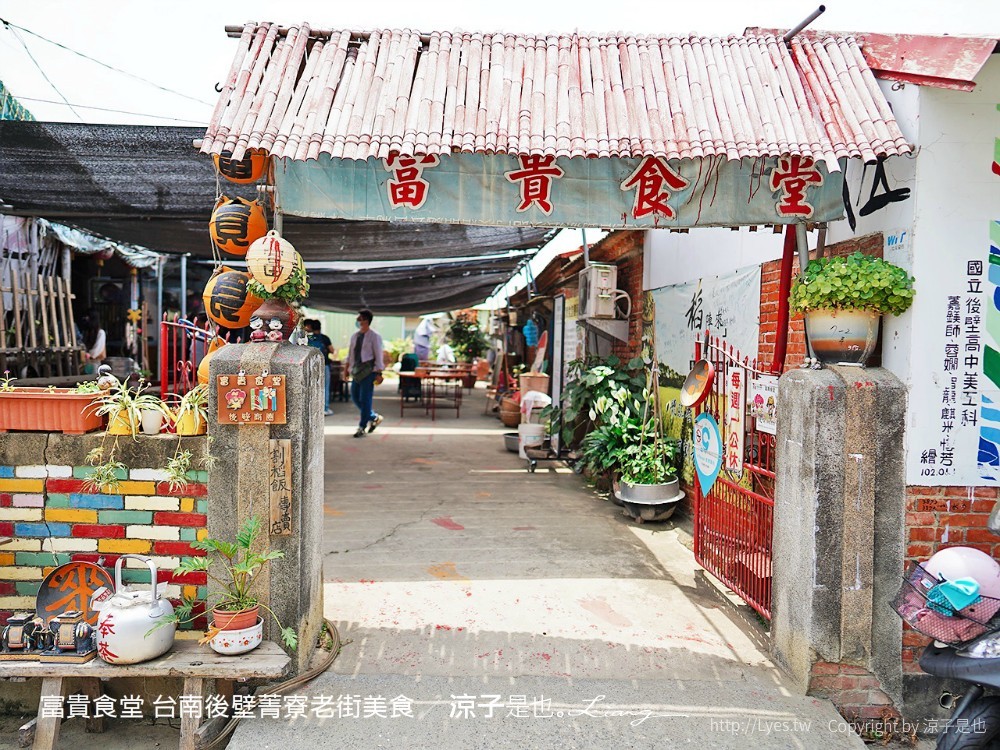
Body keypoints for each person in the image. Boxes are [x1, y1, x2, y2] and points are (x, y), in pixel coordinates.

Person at [346, 309, 384, 438]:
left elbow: (378, 354)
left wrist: (379, 372)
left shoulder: (374, 336)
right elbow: (350, 354)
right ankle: (373, 417)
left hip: (369, 371)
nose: (358, 321)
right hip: (356, 370)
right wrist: (347, 368)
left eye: (360, 319)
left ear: (367, 321)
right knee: (355, 397)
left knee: (365, 399)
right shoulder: (355, 336)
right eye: (358, 319)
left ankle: (362, 426)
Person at [304, 319, 335, 416]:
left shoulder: (309, 338)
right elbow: (332, 350)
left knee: (312, 386)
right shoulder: (325, 338)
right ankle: (325, 408)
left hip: (311, 366)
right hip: (324, 365)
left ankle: (313, 408)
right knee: (325, 387)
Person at [79, 310, 106, 374]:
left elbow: (97, 349)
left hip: (96, 363)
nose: (86, 319)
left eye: (87, 318)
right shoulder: (86, 332)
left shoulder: (100, 333)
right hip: (86, 362)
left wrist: (89, 354)